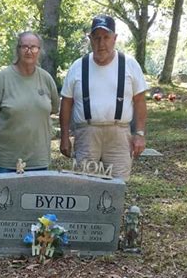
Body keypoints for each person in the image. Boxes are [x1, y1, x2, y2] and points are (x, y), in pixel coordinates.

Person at [59, 14, 147, 181]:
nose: (101, 43)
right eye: (97, 38)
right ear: (90, 39)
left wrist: (140, 133)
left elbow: (140, 101)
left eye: (106, 37)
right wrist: (64, 136)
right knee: (84, 185)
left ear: (114, 38)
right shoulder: (78, 66)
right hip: (86, 133)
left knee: (117, 186)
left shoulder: (129, 64)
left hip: (119, 134)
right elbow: (66, 103)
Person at [0, 31, 60, 173]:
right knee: (5, 195)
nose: (29, 51)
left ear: (39, 50)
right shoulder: (2, 79)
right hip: (7, 160)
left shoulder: (46, 79)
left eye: (34, 47)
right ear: (17, 49)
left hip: (39, 159)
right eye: (24, 47)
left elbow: (54, 109)